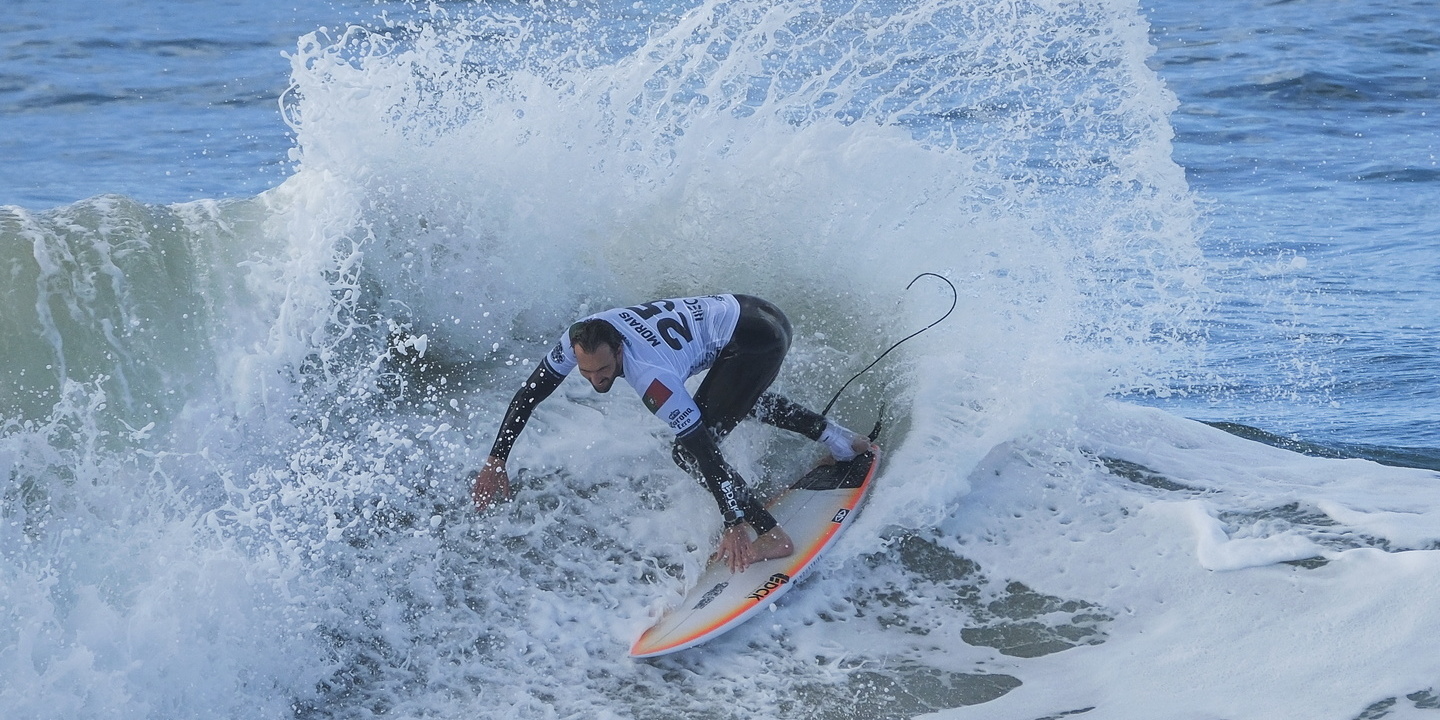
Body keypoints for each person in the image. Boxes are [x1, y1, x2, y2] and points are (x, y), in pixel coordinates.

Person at [471, 294, 872, 572]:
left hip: (757, 339)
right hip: (750, 310)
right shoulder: (578, 340)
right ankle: (841, 441)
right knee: (733, 399)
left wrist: (734, 520)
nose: (596, 379)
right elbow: (529, 394)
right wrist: (496, 459)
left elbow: (703, 450)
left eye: (604, 370)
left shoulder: (652, 378)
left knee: (686, 450)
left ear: (621, 350)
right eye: (587, 371)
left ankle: (771, 535)